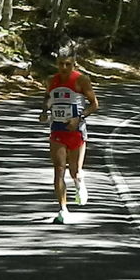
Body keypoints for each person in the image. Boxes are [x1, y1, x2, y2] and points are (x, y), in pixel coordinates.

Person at [39, 46, 99, 224]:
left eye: (68, 64)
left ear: (74, 63)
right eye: (60, 64)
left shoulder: (81, 80)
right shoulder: (51, 80)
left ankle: (79, 182)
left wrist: (78, 118)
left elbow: (94, 104)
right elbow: (47, 98)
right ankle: (62, 209)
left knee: (75, 171)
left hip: (76, 131)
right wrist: (44, 111)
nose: (64, 68)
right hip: (57, 130)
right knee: (59, 170)